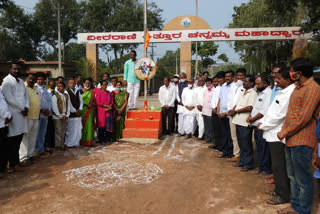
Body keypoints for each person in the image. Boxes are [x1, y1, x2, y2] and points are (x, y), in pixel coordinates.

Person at [277, 58, 320, 214]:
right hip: (291, 139)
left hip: (302, 140)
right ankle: (295, 205)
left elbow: (304, 118)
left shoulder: (313, 89)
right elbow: (291, 113)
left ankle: (303, 209)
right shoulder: (298, 87)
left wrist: (284, 132)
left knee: (303, 179)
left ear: (299, 73)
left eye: (292, 70)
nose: (290, 73)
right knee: (293, 176)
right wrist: (284, 129)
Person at [257, 67, 295, 206]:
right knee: (277, 166)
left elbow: (279, 115)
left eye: (279, 78)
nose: (276, 80)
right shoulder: (281, 91)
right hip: (271, 132)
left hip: (278, 134)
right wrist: (263, 122)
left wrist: (263, 125)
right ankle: (278, 189)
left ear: (288, 79)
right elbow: (271, 111)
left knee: (280, 166)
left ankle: (283, 195)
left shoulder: (289, 93)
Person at [2, 62, 29, 172]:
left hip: (23, 114)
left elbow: (25, 96)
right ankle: (12, 164)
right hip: (13, 114)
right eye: (14, 69)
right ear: (10, 69)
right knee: (12, 140)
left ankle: (16, 161)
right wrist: (21, 108)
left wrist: (26, 107)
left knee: (19, 139)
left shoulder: (21, 82)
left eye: (18, 69)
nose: (17, 71)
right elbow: (9, 98)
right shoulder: (7, 81)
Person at [230, 75, 257, 171]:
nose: (243, 83)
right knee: (241, 142)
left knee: (246, 144)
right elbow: (237, 104)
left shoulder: (252, 93)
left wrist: (236, 111)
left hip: (244, 122)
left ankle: (248, 163)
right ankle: (242, 161)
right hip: (238, 120)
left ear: (251, 83)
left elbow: (250, 107)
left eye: (246, 81)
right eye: (243, 81)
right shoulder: (243, 91)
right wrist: (233, 110)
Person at [247, 76, 272, 175]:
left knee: (264, 148)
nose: (256, 86)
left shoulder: (268, 94)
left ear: (265, 84)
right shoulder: (261, 93)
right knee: (259, 148)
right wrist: (250, 116)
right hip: (255, 124)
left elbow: (263, 111)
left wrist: (252, 118)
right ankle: (261, 167)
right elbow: (256, 108)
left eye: (258, 84)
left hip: (261, 125)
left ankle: (265, 169)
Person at [20, 73, 41, 164]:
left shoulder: (35, 88)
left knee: (33, 137)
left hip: (36, 116)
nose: (31, 80)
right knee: (25, 137)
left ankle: (30, 155)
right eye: (30, 78)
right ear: (26, 78)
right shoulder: (23, 87)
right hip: (27, 117)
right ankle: (23, 157)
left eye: (33, 79)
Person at [227, 68, 246, 162]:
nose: (239, 78)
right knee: (234, 135)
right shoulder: (234, 86)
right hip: (231, 113)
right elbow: (229, 99)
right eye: (238, 76)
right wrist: (229, 110)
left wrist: (235, 110)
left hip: (240, 114)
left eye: (241, 76)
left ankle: (243, 155)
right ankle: (236, 154)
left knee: (242, 136)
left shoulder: (247, 87)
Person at [216, 70, 234, 158]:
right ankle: (225, 151)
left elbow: (234, 102)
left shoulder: (234, 87)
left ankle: (230, 152)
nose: (227, 78)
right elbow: (220, 99)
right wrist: (218, 111)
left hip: (228, 115)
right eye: (226, 76)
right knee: (224, 134)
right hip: (221, 114)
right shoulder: (223, 86)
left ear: (232, 77)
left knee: (230, 135)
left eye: (229, 76)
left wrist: (225, 113)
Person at [35, 74, 51, 156]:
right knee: (36, 134)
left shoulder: (46, 90)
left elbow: (49, 101)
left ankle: (41, 150)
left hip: (45, 115)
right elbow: (34, 102)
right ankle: (34, 151)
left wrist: (48, 110)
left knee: (42, 133)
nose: (40, 81)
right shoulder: (34, 88)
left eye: (42, 79)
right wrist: (41, 110)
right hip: (37, 114)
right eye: (38, 79)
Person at [51, 82, 70, 150]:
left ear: (64, 88)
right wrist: (61, 116)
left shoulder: (66, 95)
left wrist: (67, 115)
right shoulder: (54, 96)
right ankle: (58, 145)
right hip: (57, 117)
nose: (59, 88)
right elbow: (54, 108)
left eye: (61, 86)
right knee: (58, 131)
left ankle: (62, 145)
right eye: (58, 86)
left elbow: (68, 105)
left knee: (63, 131)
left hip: (64, 116)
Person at [0, 75, 12, 177]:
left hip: (4, 124)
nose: (2, 80)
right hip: (2, 121)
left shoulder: (0, 90)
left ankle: (3, 167)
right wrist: (7, 116)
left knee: (4, 147)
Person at [65, 79, 83, 148]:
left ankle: (76, 143)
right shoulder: (67, 92)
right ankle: (69, 143)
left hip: (78, 114)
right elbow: (68, 103)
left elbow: (81, 101)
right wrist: (75, 111)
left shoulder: (78, 92)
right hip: (71, 114)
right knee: (70, 130)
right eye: (71, 83)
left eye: (73, 83)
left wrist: (80, 109)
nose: (72, 85)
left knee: (77, 130)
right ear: (68, 84)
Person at [210, 71, 225, 150]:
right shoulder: (217, 88)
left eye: (220, 78)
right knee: (215, 128)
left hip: (219, 111)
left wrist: (216, 109)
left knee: (220, 130)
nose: (218, 81)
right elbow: (214, 99)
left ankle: (221, 146)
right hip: (214, 110)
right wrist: (213, 107)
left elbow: (220, 100)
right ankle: (217, 143)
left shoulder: (223, 88)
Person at [96, 80, 113, 144]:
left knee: (108, 126)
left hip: (108, 111)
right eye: (103, 85)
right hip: (101, 111)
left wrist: (110, 106)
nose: (105, 86)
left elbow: (111, 101)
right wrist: (106, 106)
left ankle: (108, 139)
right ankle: (101, 140)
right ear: (101, 85)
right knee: (102, 126)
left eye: (106, 85)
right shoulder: (98, 92)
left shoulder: (109, 93)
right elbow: (98, 102)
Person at [80, 78, 96, 146]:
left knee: (90, 126)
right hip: (82, 111)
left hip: (90, 111)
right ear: (83, 84)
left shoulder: (92, 93)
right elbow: (78, 102)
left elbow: (95, 103)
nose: (87, 84)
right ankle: (82, 141)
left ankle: (89, 142)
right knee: (82, 126)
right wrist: (86, 104)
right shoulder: (79, 92)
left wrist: (91, 105)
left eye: (89, 83)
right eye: (86, 83)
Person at [202, 78, 215, 144]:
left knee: (211, 126)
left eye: (209, 83)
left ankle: (212, 139)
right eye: (206, 83)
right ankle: (207, 138)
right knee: (206, 126)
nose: (208, 85)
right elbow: (204, 101)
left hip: (211, 112)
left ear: (212, 83)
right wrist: (202, 111)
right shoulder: (205, 91)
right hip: (205, 111)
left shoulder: (214, 91)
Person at [45, 80, 56, 152]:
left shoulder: (55, 93)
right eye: (51, 85)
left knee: (53, 130)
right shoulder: (47, 93)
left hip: (55, 115)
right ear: (48, 85)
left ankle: (52, 144)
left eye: (53, 85)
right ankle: (47, 145)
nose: (52, 87)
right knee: (48, 130)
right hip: (48, 114)